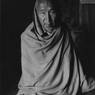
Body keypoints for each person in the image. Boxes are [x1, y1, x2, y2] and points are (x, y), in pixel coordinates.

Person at [17, 0, 95, 95]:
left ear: (57, 12)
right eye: (42, 13)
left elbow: (70, 65)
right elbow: (29, 77)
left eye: (52, 12)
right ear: (36, 14)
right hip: (38, 86)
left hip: (63, 82)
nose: (48, 19)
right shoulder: (27, 38)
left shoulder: (62, 31)